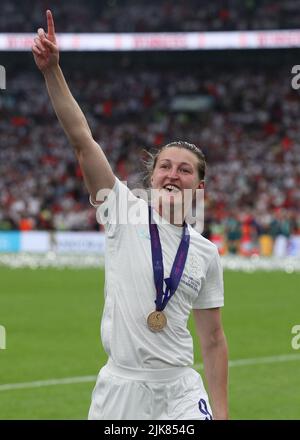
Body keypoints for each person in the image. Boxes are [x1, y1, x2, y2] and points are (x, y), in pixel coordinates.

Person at [32, 10, 228, 420]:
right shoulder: (122, 210)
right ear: (152, 177)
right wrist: (53, 72)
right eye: (165, 166)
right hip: (121, 389)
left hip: (181, 389)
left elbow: (212, 340)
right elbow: (82, 140)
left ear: (199, 188)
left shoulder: (207, 253)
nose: (173, 173)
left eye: (184, 169)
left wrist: (223, 412)